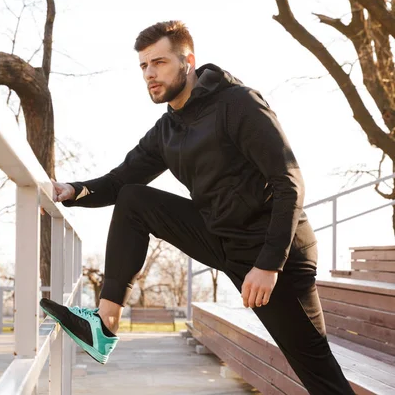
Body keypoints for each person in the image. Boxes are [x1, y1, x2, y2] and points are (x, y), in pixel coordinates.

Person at [40, 20, 355, 394]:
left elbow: (289, 182)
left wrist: (270, 264)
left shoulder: (238, 103)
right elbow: (119, 180)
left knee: (317, 372)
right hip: (222, 238)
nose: (150, 74)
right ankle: (103, 324)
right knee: (134, 199)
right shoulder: (167, 129)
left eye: (159, 62)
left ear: (188, 60)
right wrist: (72, 190)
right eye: (143, 66)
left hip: (273, 253)